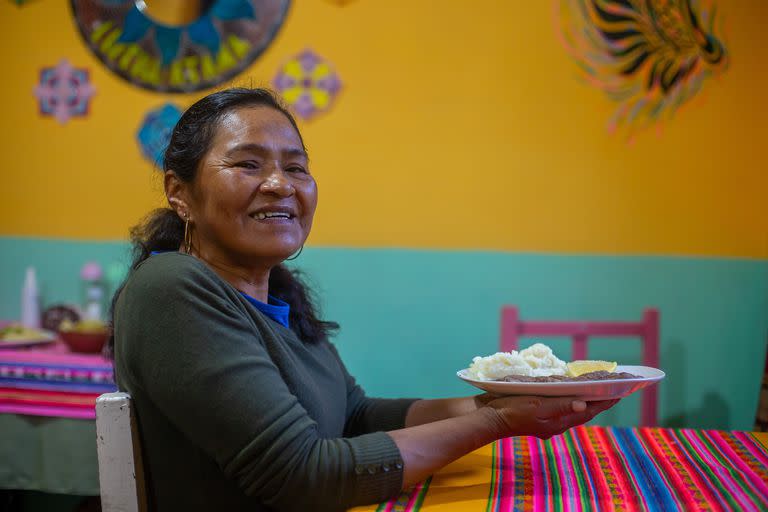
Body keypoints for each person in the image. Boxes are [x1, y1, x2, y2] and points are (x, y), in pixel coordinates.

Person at [110, 88, 618, 512]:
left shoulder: (278, 296)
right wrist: (499, 423)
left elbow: (355, 416)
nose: (279, 185)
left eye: (296, 168)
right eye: (248, 163)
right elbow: (302, 475)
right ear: (180, 192)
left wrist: (497, 401)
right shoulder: (171, 288)